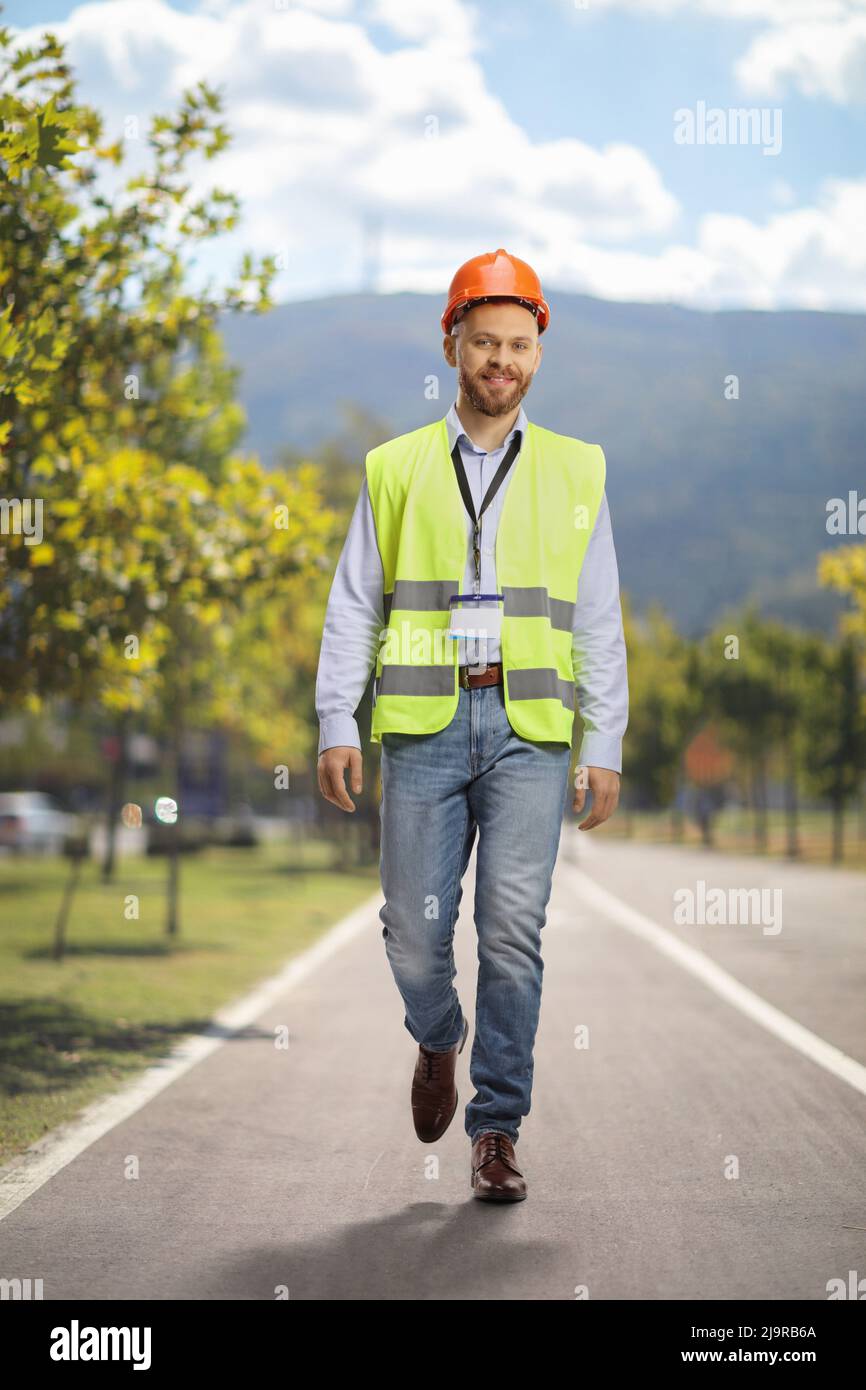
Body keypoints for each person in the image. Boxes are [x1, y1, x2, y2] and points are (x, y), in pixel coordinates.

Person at [316, 248, 628, 1202]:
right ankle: (438, 1035)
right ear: (451, 342)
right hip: (423, 723)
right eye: (485, 341)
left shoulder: (579, 469)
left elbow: (602, 615)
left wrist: (603, 741)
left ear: (539, 354)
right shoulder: (394, 466)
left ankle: (496, 1128)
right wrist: (338, 715)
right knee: (414, 932)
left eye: (519, 345)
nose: (502, 359)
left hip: (531, 727)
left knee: (513, 933)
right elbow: (356, 603)